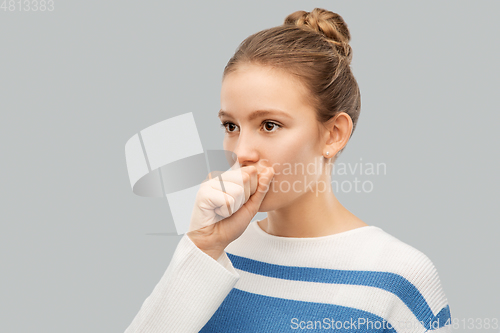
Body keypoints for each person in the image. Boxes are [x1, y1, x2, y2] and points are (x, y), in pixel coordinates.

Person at [124, 8, 452, 333]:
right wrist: (201, 247)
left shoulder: (396, 277)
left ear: (334, 134)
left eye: (269, 125)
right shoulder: (213, 255)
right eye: (231, 125)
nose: (241, 152)